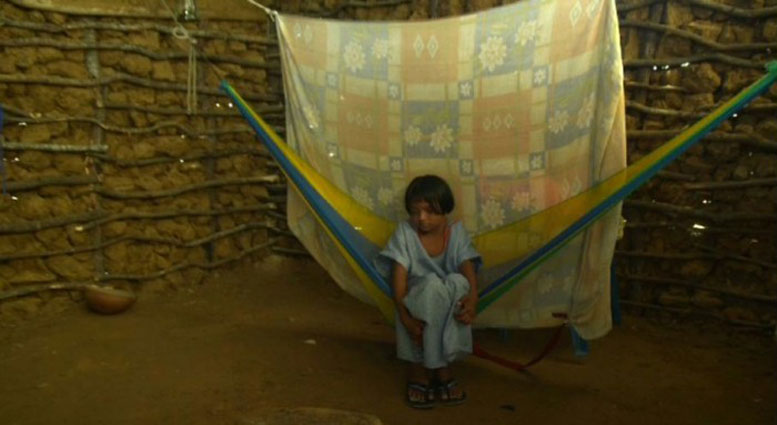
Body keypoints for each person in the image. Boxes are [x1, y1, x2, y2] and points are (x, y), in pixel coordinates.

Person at [374, 175, 481, 409]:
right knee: (431, 285)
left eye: (430, 211)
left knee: (458, 281)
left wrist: (473, 299)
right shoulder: (405, 233)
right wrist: (405, 317)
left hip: (448, 302)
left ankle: (439, 365)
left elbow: (467, 267)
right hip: (416, 303)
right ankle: (423, 371)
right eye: (415, 212)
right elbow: (399, 281)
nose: (421, 218)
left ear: (445, 210)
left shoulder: (456, 233)